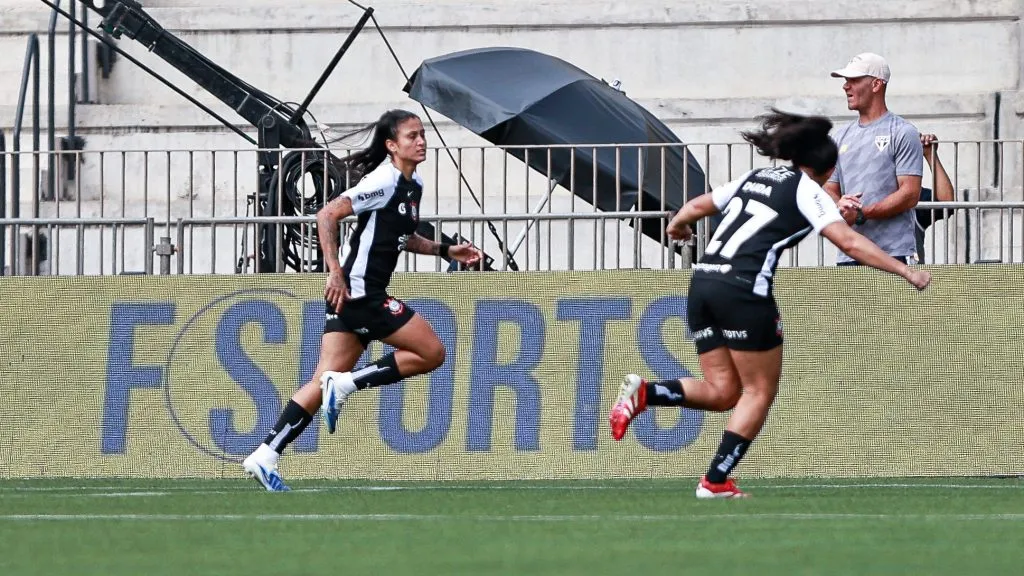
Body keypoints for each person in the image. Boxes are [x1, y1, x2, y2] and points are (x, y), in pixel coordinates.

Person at [607, 109, 931, 498]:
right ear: (827, 169)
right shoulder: (808, 190)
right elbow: (849, 242)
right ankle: (715, 480)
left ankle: (647, 393)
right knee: (759, 391)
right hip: (743, 290)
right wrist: (905, 271)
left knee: (724, 391)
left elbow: (696, 206)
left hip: (703, 285)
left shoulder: (755, 177)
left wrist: (678, 226)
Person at [242, 109, 483, 491]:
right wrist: (334, 270)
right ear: (391, 145)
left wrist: (443, 250)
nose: (421, 141)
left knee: (321, 380)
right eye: (411, 136)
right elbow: (327, 215)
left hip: (352, 297)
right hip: (360, 293)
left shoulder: (411, 184)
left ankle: (265, 455)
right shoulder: (384, 180)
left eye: (422, 135)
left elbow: (402, 237)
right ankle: (348, 384)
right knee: (432, 353)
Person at [823, 52, 924, 266]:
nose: (845, 86)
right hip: (850, 252)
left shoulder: (903, 132)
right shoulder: (840, 137)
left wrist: (862, 214)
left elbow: (910, 194)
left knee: (892, 302)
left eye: (854, 80)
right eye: (845, 81)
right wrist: (840, 205)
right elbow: (829, 188)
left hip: (893, 253)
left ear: (876, 84)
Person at [915, 133, 955, 263]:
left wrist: (930, 155)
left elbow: (946, 204)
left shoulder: (912, 196)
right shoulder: (860, 195)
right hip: (862, 276)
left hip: (908, 278)